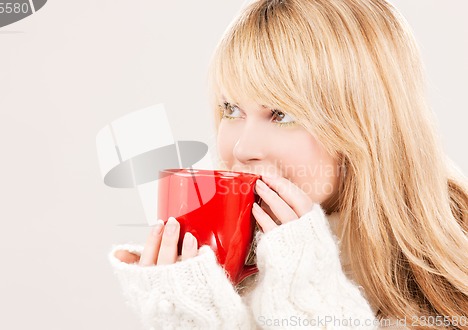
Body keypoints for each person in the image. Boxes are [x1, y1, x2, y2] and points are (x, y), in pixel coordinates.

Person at [109, 0, 468, 328]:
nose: (241, 147)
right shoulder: (234, 274)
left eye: (283, 113)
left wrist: (309, 298)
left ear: (370, 124)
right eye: (231, 109)